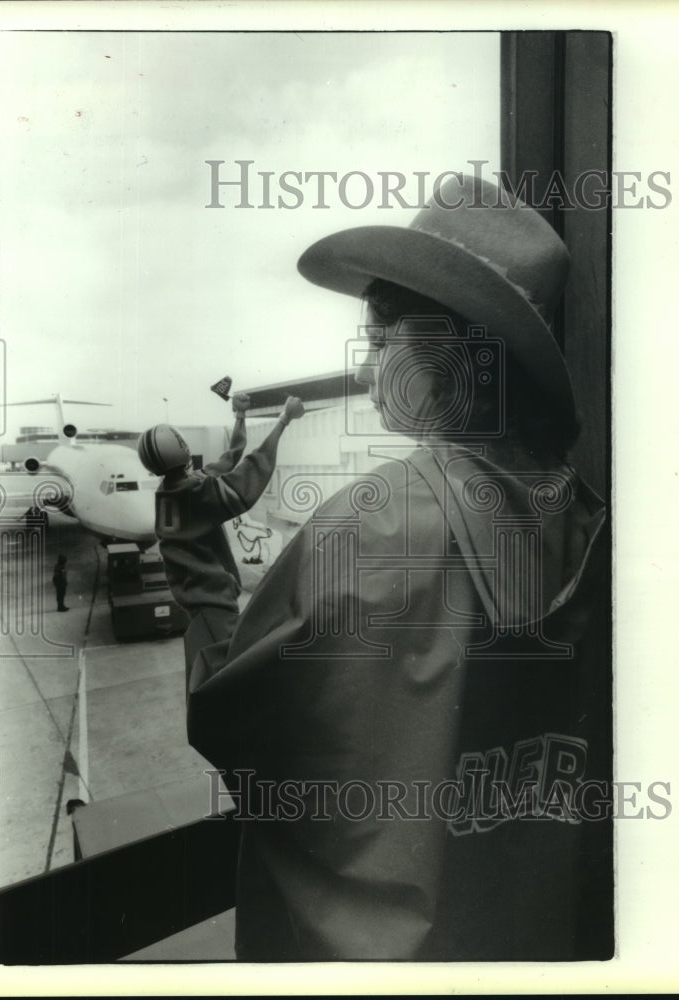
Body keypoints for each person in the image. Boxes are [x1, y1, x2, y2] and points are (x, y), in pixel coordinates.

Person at [184, 174, 611, 962]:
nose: (365, 371)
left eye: (381, 343)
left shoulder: (364, 525)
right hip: (536, 939)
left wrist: (197, 573)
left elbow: (233, 725)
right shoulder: (587, 516)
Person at [138, 392, 305, 664]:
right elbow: (253, 469)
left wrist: (239, 417)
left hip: (200, 611)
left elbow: (230, 458)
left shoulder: (170, 491)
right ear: (180, 447)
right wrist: (283, 420)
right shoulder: (195, 491)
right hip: (216, 612)